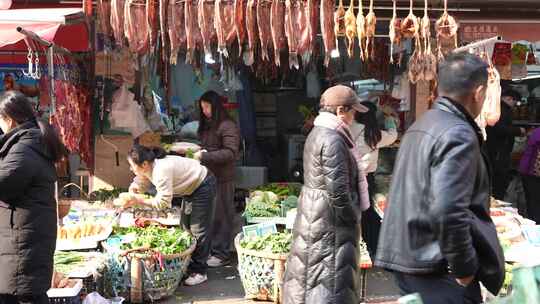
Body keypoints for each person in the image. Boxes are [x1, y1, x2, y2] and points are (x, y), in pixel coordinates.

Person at [375, 53, 505, 304]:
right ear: (478, 93)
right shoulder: (458, 133)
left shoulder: (422, 125)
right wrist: (464, 269)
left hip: (412, 260)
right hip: (437, 266)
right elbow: (449, 210)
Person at [282, 85, 370, 304]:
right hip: (330, 222)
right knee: (328, 280)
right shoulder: (333, 139)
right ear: (341, 110)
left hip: (317, 214)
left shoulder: (319, 132)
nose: (354, 115)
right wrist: (353, 218)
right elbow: (338, 193)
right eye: (353, 111)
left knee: (311, 278)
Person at [0, 91, 66, 304]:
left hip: (23, 242)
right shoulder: (28, 143)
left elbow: (4, 185)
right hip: (24, 237)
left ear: (8, 119)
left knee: (26, 295)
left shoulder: (24, 147)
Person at [123, 145, 217, 286]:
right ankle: (189, 265)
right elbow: (143, 178)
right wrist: (135, 187)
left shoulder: (161, 170)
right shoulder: (150, 166)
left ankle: (200, 271)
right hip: (191, 188)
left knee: (198, 229)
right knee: (185, 228)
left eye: (132, 166)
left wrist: (138, 200)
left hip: (203, 184)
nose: (131, 169)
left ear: (144, 164)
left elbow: (163, 203)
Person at [194, 90, 240, 268]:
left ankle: (222, 254)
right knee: (210, 217)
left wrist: (204, 156)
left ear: (216, 106)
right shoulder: (208, 124)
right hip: (207, 177)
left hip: (223, 177)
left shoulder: (227, 125)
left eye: (207, 107)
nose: (204, 111)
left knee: (222, 215)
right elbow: (208, 146)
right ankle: (211, 251)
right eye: (202, 107)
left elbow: (230, 152)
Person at [350, 100, 398, 258]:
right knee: (367, 213)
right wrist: (389, 118)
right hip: (367, 179)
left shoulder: (348, 128)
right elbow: (393, 136)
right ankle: (371, 247)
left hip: (349, 177)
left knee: (353, 213)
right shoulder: (374, 133)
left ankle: (356, 248)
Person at [486, 89, 526, 200]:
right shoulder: (501, 110)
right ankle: (497, 201)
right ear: (509, 99)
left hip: (497, 151)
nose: (515, 105)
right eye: (515, 102)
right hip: (498, 151)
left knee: (497, 179)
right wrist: (518, 131)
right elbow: (499, 129)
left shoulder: (499, 108)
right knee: (499, 180)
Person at [519, 127, 540, 223]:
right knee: (534, 206)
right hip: (532, 175)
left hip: (530, 174)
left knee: (533, 206)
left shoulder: (535, 133)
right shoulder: (537, 133)